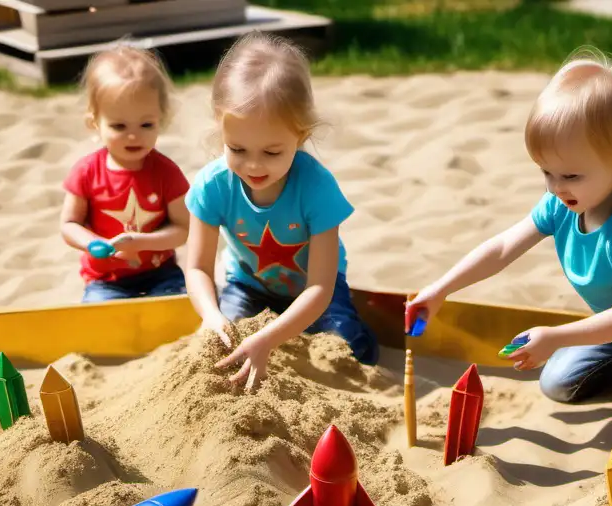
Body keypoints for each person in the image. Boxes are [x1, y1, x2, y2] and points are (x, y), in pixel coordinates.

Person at [407, 48, 612, 414]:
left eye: (571, 175)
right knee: (556, 383)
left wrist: (555, 337)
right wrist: (440, 289)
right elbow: (502, 248)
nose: (556, 187)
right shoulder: (562, 202)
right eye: (546, 172)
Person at [185, 32, 378, 392]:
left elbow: (320, 287)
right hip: (247, 286)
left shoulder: (316, 187)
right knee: (216, 349)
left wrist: (269, 338)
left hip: (314, 290)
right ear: (219, 126)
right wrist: (211, 316)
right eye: (237, 148)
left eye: (272, 152)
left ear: (300, 136)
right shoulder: (213, 185)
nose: (253, 165)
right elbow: (197, 266)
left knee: (351, 351)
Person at [60, 44, 190, 302]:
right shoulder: (87, 172)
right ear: (94, 123)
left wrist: (141, 242)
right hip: (106, 280)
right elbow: (69, 224)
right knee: (101, 322)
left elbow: (183, 229)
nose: (134, 135)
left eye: (146, 124)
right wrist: (92, 244)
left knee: (180, 312)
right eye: (119, 126)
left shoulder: (166, 172)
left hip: (161, 273)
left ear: (160, 119)